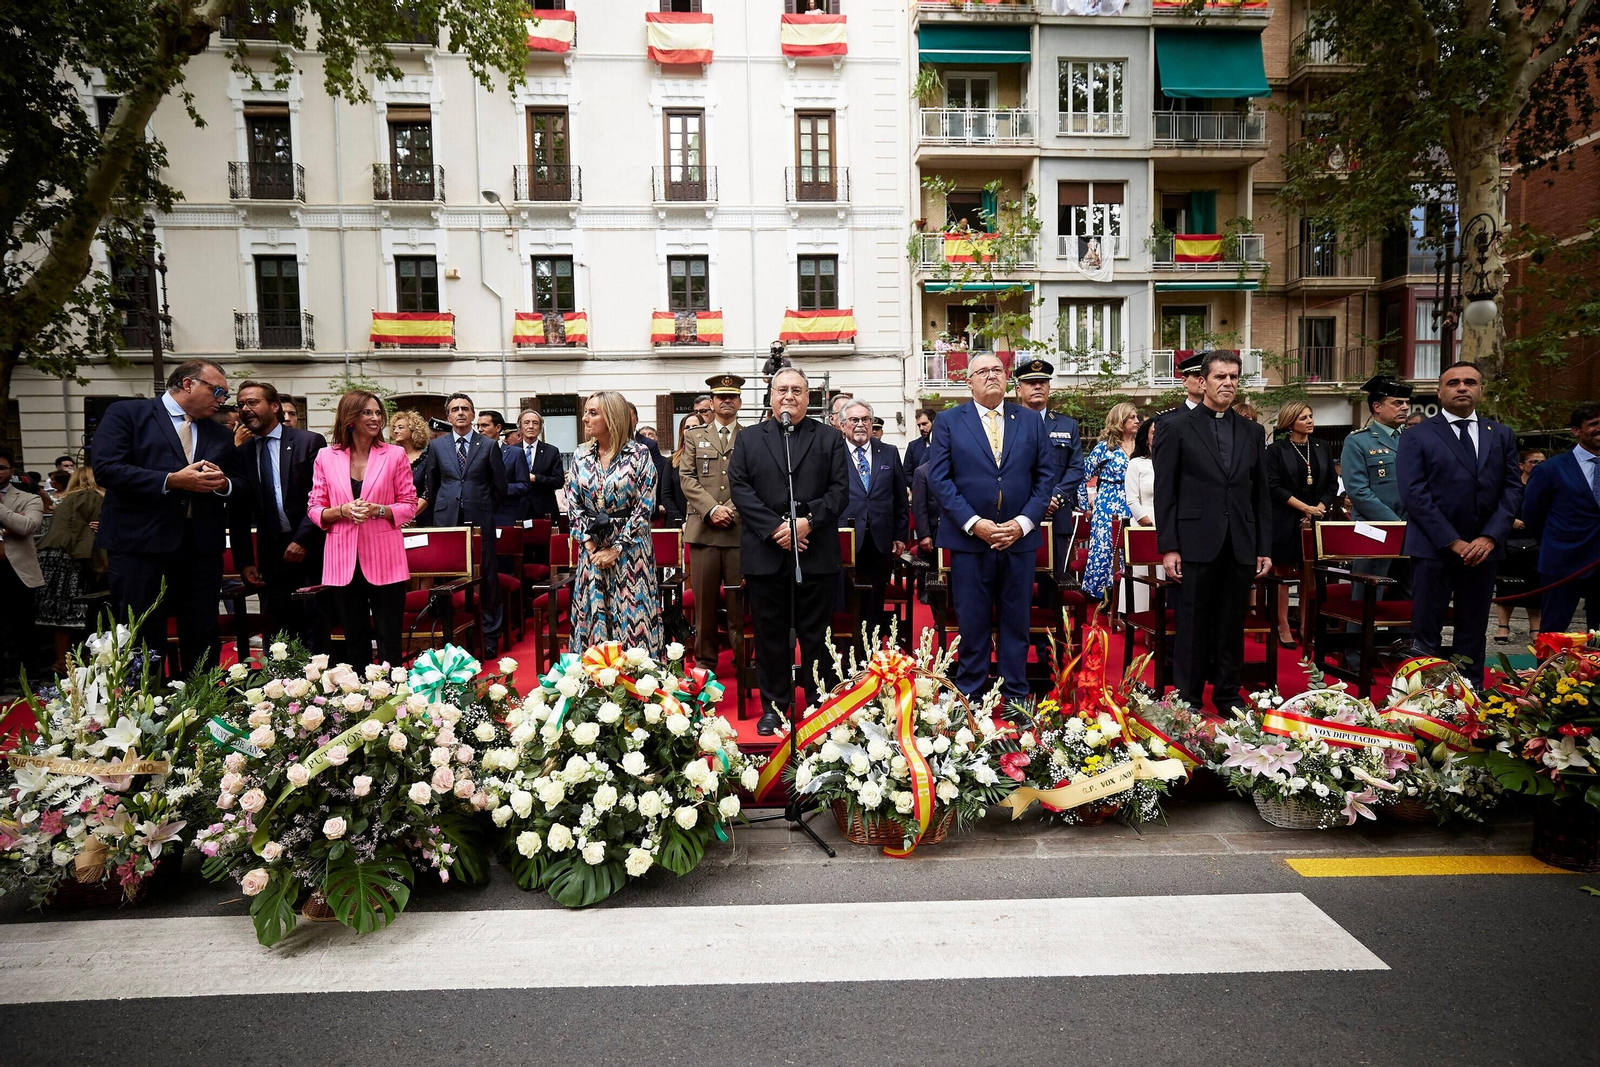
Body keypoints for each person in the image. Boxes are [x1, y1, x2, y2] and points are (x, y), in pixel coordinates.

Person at [93, 360, 241, 673]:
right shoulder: (128, 415)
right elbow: (107, 469)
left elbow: (239, 482)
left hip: (200, 549)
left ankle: (200, 704)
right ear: (188, 384)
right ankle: (146, 712)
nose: (222, 400)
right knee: (142, 633)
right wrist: (171, 480)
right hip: (140, 546)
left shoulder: (220, 434)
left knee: (202, 630)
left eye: (225, 395)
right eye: (217, 391)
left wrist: (223, 484)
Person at [927, 351, 1055, 701]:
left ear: (1007, 377)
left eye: (997, 369)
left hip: (1019, 540)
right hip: (970, 542)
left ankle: (1016, 695)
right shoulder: (949, 422)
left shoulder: (1029, 421)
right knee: (973, 624)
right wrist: (974, 523)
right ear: (968, 382)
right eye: (981, 372)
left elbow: (1045, 478)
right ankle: (970, 696)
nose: (991, 376)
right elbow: (940, 480)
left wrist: (1023, 522)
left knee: (1017, 623)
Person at [728, 366, 850, 734]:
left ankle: (817, 702)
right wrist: (776, 529)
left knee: (817, 634)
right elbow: (740, 488)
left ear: (808, 398)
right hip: (766, 554)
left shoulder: (829, 437)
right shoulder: (749, 439)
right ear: (770, 396)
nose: (789, 397)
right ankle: (775, 707)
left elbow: (840, 491)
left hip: (816, 551)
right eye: (782, 390)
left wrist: (807, 521)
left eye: (797, 390)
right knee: (771, 636)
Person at [1154, 350, 1272, 713]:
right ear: (1202, 382)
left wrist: (1263, 547)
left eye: (1234, 377)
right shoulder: (1175, 426)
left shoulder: (1252, 431)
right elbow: (1165, 492)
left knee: (1231, 624)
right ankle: (1187, 698)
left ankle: (1227, 696)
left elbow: (1260, 494)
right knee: (1190, 624)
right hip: (1194, 542)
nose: (1228, 383)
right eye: (1220, 377)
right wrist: (1169, 546)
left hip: (1239, 542)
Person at [1397, 362, 1522, 686]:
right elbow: (1414, 493)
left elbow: (1511, 489)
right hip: (1433, 548)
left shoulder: (1501, 435)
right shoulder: (1417, 436)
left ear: (1481, 389)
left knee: (1474, 626)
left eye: (1470, 382)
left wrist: (1490, 537)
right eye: (1453, 382)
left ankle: (1471, 693)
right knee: (1426, 628)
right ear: (1440, 392)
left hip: (1484, 550)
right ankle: (1423, 697)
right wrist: (1454, 541)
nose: (1462, 387)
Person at [309, 390, 418, 667]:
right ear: (350, 417)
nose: (375, 418)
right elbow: (314, 508)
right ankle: (358, 701)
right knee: (353, 637)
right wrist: (342, 511)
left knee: (388, 636)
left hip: (386, 557)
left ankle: (395, 699)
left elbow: (409, 504)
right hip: (342, 558)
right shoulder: (325, 456)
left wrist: (379, 510)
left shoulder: (394, 455)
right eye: (367, 412)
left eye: (378, 412)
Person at [230, 380, 329, 650]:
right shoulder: (242, 453)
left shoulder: (308, 442)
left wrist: (303, 540)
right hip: (271, 555)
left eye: (252, 402)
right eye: (241, 405)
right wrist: (244, 560)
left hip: (311, 549)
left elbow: (321, 495)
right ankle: (281, 686)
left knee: (315, 620)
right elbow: (238, 510)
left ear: (274, 407)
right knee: (278, 629)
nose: (245, 409)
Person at [565, 391, 662, 654]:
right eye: (586, 412)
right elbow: (572, 504)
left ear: (613, 417)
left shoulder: (640, 454)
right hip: (592, 550)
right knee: (594, 617)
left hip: (631, 552)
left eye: (592, 412)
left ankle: (639, 687)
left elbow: (644, 508)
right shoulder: (580, 455)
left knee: (633, 618)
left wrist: (616, 548)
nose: (585, 418)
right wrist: (591, 547)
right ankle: (593, 687)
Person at [422, 392, 508, 655]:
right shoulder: (437, 446)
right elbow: (432, 485)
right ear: (448, 416)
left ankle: (490, 638)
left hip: (481, 519)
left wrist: (482, 507)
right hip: (447, 521)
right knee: (446, 578)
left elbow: (499, 487)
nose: (460, 413)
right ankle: (449, 636)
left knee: (488, 579)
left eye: (466, 409)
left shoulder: (489, 445)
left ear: (473, 414)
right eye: (455, 409)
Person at [679, 374, 744, 671]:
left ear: (740, 402)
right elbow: (687, 479)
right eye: (721, 397)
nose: (726, 401)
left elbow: (753, 482)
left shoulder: (750, 436)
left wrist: (729, 509)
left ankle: (743, 662)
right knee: (703, 605)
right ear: (712, 403)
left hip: (738, 531)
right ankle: (705, 664)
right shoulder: (694, 436)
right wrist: (713, 510)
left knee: (739, 604)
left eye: (732, 396)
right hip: (704, 531)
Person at [1521, 402, 1600, 635]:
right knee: (1554, 633)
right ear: (1576, 430)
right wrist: (1557, 542)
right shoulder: (1551, 469)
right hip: (1563, 562)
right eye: (1594, 424)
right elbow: (1532, 515)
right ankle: (1547, 673)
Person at [1265, 401, 1337, 648]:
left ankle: (1308, 625)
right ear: (1290, 422)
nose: (1310, 421)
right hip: (1285, 519)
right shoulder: (1276, 450)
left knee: (1311, 576)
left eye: (1311, 415)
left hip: (1316, 519)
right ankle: (1282, 624)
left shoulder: (1322, 446)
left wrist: (1319, 507)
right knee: (1283, 572)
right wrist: (1304, 508)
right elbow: (1273, 487)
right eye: (1304, 417)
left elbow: (1331, 483)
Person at [840, 400, 909, 643]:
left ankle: (870, 650)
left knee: (875, 601)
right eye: (854, 420)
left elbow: (900, 498)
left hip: (881, 540)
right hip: (844, 540)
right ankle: (846, 653)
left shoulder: (888, 451)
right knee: (844, 599)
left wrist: (901, 535)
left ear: (872, 423)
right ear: (842, 425)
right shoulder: (833, 452)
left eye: (865, 419)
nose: (860, 425)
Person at [1012, 358, 1085, 582]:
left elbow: (1076, 467)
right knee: (1016, 583)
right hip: (1018, 514)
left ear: (1049, 388)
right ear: (1018, 389)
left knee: (1053, 585)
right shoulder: (1007, 423)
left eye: (1043, 382)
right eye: (1031, 382)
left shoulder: (1066, 425)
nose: (1038, 387)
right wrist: (1037, 501)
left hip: (1056, 514)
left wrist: (1055, 496)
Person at [34, 465, 106, 672]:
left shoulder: (68, 499)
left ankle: (62, 661)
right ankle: (66, 664)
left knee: (61, 617)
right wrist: (102, 566)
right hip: (72, 559)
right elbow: (90, 537)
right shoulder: (94, 497)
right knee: (71, 615)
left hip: (51, 556)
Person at [1081, 402, 1139, 602]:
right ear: (1119, 420)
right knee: (1106, 551)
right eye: (1131, 417)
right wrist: (1085, 507)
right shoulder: (1104, 448)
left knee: (1130, 551)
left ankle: (1128, 598)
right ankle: (1103, 598)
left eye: (1136, 416)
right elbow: (1082, 475)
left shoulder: (1142, 446)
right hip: (1107, 507)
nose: (1137, 420)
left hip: (1135, 506)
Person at [0, 448, 45, 687]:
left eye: (1, 467)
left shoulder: (29, 498)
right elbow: (16, 525)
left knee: (23, 625)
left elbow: (28, 526)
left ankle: (30, 674)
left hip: (18, 571)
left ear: (11, 471)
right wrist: (9, 524)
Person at [1493, 449, 1547, 640]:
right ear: (1521, 466)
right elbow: (1497, 509)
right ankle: (1502, 627)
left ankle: (1535, 628)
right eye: (1533, 462)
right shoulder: (1512, 486)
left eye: (1542, 462)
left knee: (1535, 586)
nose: (1538, 466)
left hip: (1537, 541)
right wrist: (1511, 522)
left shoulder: (1545, 485)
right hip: (1510, 541)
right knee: (1506, 585)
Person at [1124, 418, 1157, 614]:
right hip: (1144, 524)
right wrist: (1148, 525)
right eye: (1154, 432)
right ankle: (1139, 615)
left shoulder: (1174, 462)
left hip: (1169, 525)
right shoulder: (1137, 463)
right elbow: (1132, 500)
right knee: (1143, 573)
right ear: (1146, 439)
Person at [482, 411, 532, 527]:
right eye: (478, 426)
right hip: (480, 516)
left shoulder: (515, 453)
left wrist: (499, 488)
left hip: (505, 517)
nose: (480, 429)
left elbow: (525, 485)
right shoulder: (472, 454)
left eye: (485, 425)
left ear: (498, 428)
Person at [516, 409, 565, 523]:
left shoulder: (551, 451)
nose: (531, 426)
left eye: (535, 423)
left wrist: (536, 478)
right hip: (518, 510)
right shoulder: (511, 450)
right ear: (520, 427)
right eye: (526, 422)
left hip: (544, 510)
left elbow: (559, 481)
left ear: (540, 428)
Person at [388, 409, 432, 524]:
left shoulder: (427, 459)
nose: (396, 431)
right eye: (394, 428)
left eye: (400, 427)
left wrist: (407, 516)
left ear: (414, 430)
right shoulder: (390, 458)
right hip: (392, 519)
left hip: (421, 519)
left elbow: (428, 493)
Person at [905, 408, 936, 474]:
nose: (921, 428)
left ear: (933, 422)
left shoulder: (946, 443)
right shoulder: (913, 446)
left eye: (924, 424)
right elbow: (906, 474)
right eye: (919, 425)